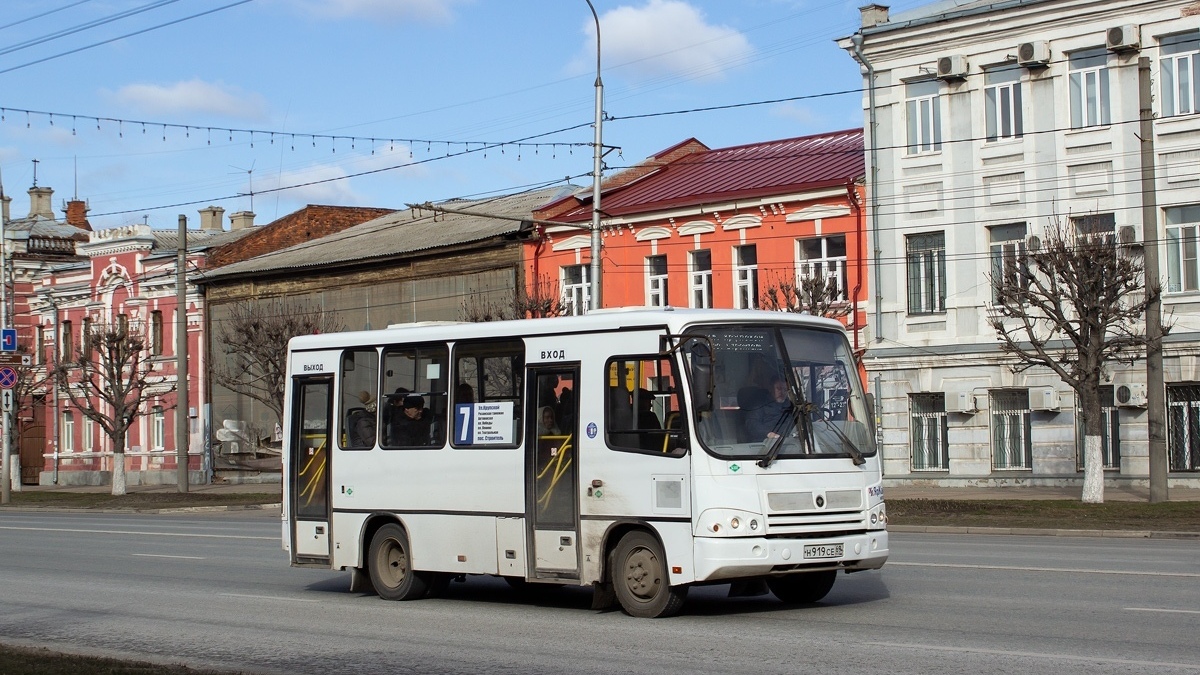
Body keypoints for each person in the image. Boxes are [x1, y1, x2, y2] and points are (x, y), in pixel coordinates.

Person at [745, 375, 792, 441]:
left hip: (790, 444)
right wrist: (768, 434)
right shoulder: (760, 404)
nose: (782, 393)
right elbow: (752, 424)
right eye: (779, 388)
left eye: (785, 390)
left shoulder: (791, 406)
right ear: (771, 388)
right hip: (765, 444)